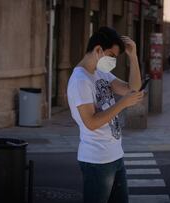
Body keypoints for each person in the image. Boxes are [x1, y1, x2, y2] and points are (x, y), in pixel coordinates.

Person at [67, 26, 144, 203]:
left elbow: (132, 88)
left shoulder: (100, 72)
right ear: (98, 50)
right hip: (97, 160)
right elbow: (91, 123)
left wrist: (133, 57)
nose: (113, 61)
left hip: (115, 155)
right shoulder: (80, 81)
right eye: (112, 56)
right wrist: (123, 104)